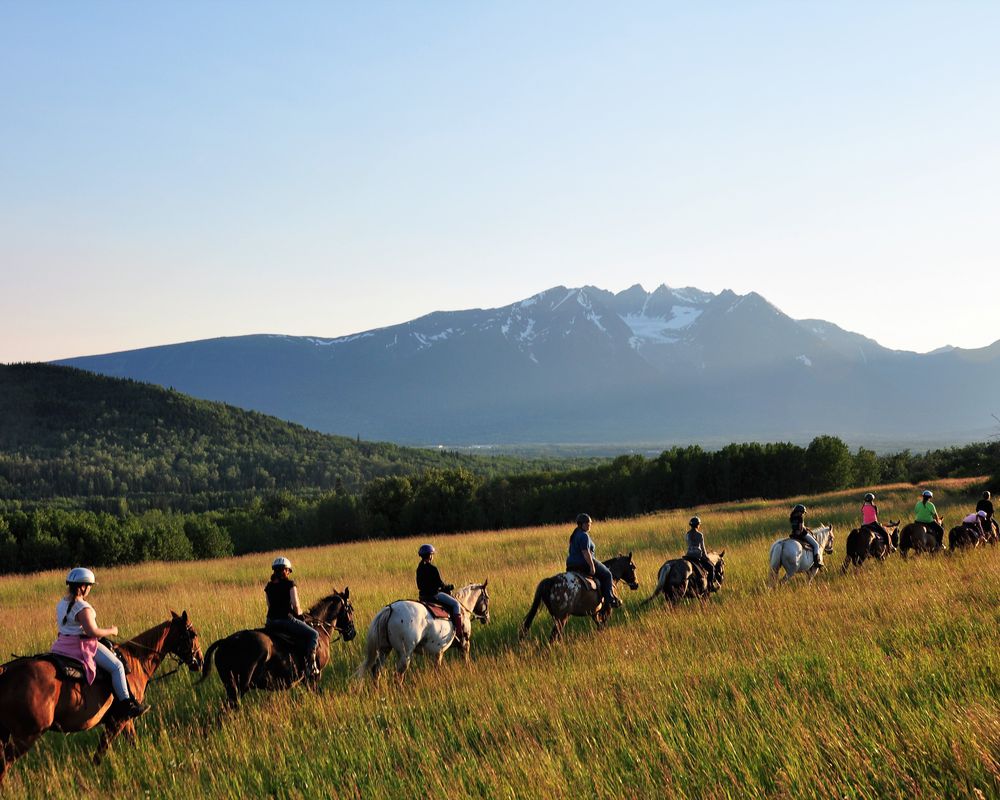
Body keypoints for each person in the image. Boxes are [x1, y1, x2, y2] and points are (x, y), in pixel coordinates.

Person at [49, 567, 147, 719]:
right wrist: (111, 631)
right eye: (89, 586)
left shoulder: (62, 603)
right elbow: (92, 632)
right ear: (83, 587)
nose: (89, 589)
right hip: (81, 646)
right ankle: (127, 705)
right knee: (117, 666)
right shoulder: (82, 607)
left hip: (62, 645)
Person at [264, 557, 320, 678]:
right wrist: (300, 617)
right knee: (314, 634)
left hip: (270, 622)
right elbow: (295, 605)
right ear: (286, 570)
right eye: (288, 570)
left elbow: (269, 605)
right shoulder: (290, 584)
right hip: (285, 620)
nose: (289, 572)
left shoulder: (268, 587)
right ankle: (311, 667)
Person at [566, 513, 620, 609]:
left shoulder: (574, 535)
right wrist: (592, 566)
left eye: (590, 523)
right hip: (583, 563)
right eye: (587, 523)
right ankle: (609, 599)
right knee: (607, 574)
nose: (589, 525)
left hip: (570, 565)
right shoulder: (584, 536)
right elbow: (586, 552)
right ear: (581, 524)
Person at [416, 543, 466, 644]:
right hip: (434, 596)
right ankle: (459, 633)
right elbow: (440, 584)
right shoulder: (433, 569)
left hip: (423, 597)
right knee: (456, 604)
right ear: (430, 556)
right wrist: (449, 587)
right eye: (432, 554)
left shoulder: (419, 569)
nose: (432, 556)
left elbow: (419, 586)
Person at [683, 516, 720, 591]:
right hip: (697, 556)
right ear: (698, 525)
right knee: (711, 567)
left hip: (688, 555)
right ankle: (711, 585)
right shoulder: (700, 535)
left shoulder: (687, 534)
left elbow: (688, 544)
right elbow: (703, 548)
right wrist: (706, 557)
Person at [789, 504, 824, 568]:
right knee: (816, 545)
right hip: (802, 534)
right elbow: (801, 528)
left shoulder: (792, 517)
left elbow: (796, 526)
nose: (803, 514)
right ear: (800, 512)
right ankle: (817, 561)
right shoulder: (800, 517)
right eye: (802, 512)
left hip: (794, 534)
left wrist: (806, 527)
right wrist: (805, 529)